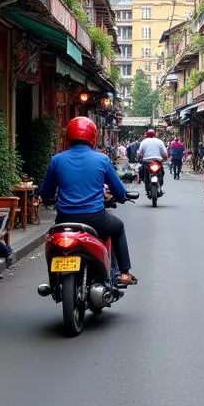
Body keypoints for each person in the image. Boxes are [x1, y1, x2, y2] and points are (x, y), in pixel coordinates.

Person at [40, 117, 137, 286]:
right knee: (118, 227)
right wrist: (122, 196)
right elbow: (119, 190)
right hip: (95, 218)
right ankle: (123, 272)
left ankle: (53, 281)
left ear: (68, 136)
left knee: (53, 241)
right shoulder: (102, 159)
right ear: (93, 137)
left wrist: (49, 198)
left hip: (64, 219)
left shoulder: (57, 160)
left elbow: (46, 192)